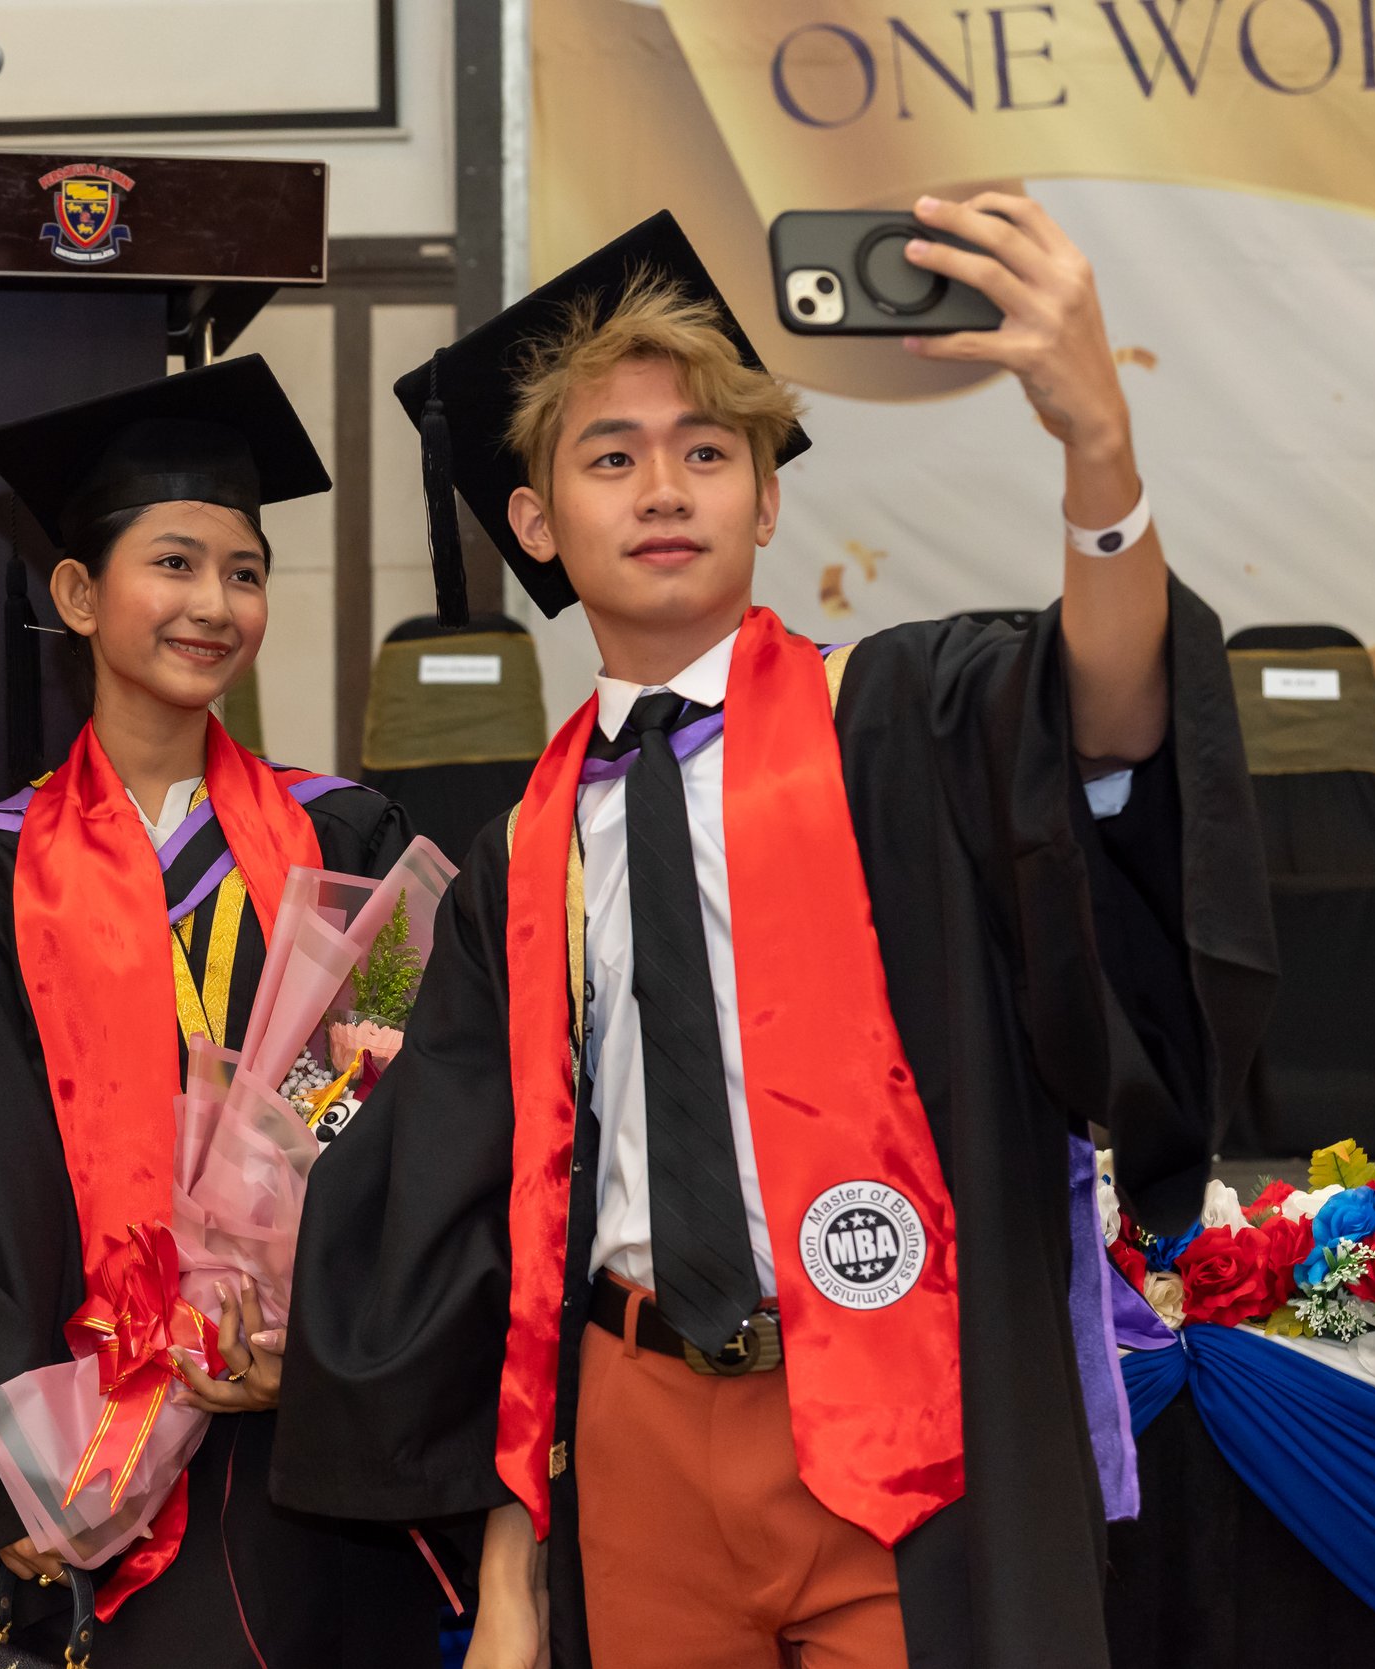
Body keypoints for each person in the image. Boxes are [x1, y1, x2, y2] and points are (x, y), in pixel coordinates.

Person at [273, 201, 1276, 1668]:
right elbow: (498, 1232)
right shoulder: (515, 854)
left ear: (766, 500)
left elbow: (1118, 718)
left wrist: (1098, 456)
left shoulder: (903, 716)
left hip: (896, 1417)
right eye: (611, 456)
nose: (663, 485)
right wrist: (511, 1568)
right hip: (638, 1443)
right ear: (540, 522)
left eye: (707, 451)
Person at [0, 357, 449, 1667]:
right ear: (79, 595)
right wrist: (22, 1474)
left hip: (306, 1445)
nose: (216, 604)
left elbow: (392, 1110)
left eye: (243, 571)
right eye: (176, 564)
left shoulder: (352, 845)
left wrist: (312, 1350)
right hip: (92, 1464)